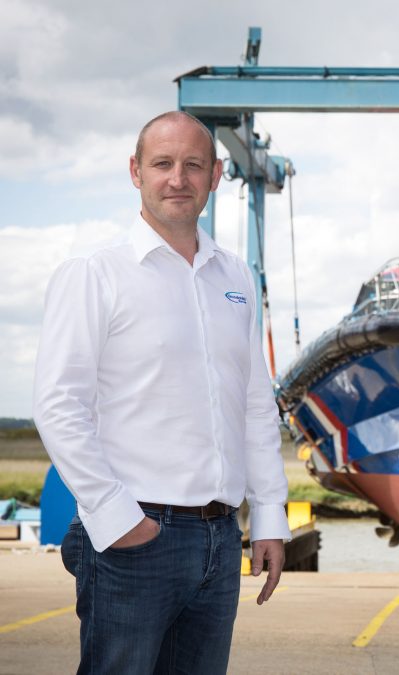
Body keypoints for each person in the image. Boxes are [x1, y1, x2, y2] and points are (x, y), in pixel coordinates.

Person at [33, 111, 292, 674]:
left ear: (216, 175)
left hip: (221, 539)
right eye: (163, 164)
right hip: (135, 538)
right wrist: (116, 516)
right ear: (135, 171)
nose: (179, 178)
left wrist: (269, 514)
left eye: (193, 165)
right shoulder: (94, 273)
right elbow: (59, 404)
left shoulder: (235, 278)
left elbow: (252, 404)